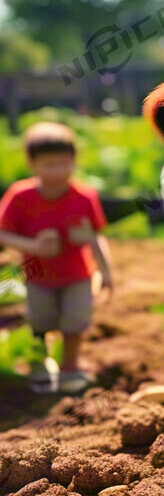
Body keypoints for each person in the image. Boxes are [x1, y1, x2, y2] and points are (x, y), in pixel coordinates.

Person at [0, 122, 113, 393]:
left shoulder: (84, 197)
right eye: (49, 165)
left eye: (64, 164)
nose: (57, 172)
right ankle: (40, 365)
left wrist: (106, 272)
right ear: (32, 163)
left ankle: (70, 369)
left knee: (75, 321)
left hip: (78, 275)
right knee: (40, 321)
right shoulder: (20, 196)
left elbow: (97, 236)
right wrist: (34, 246)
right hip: (38, 276)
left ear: (74, 162)